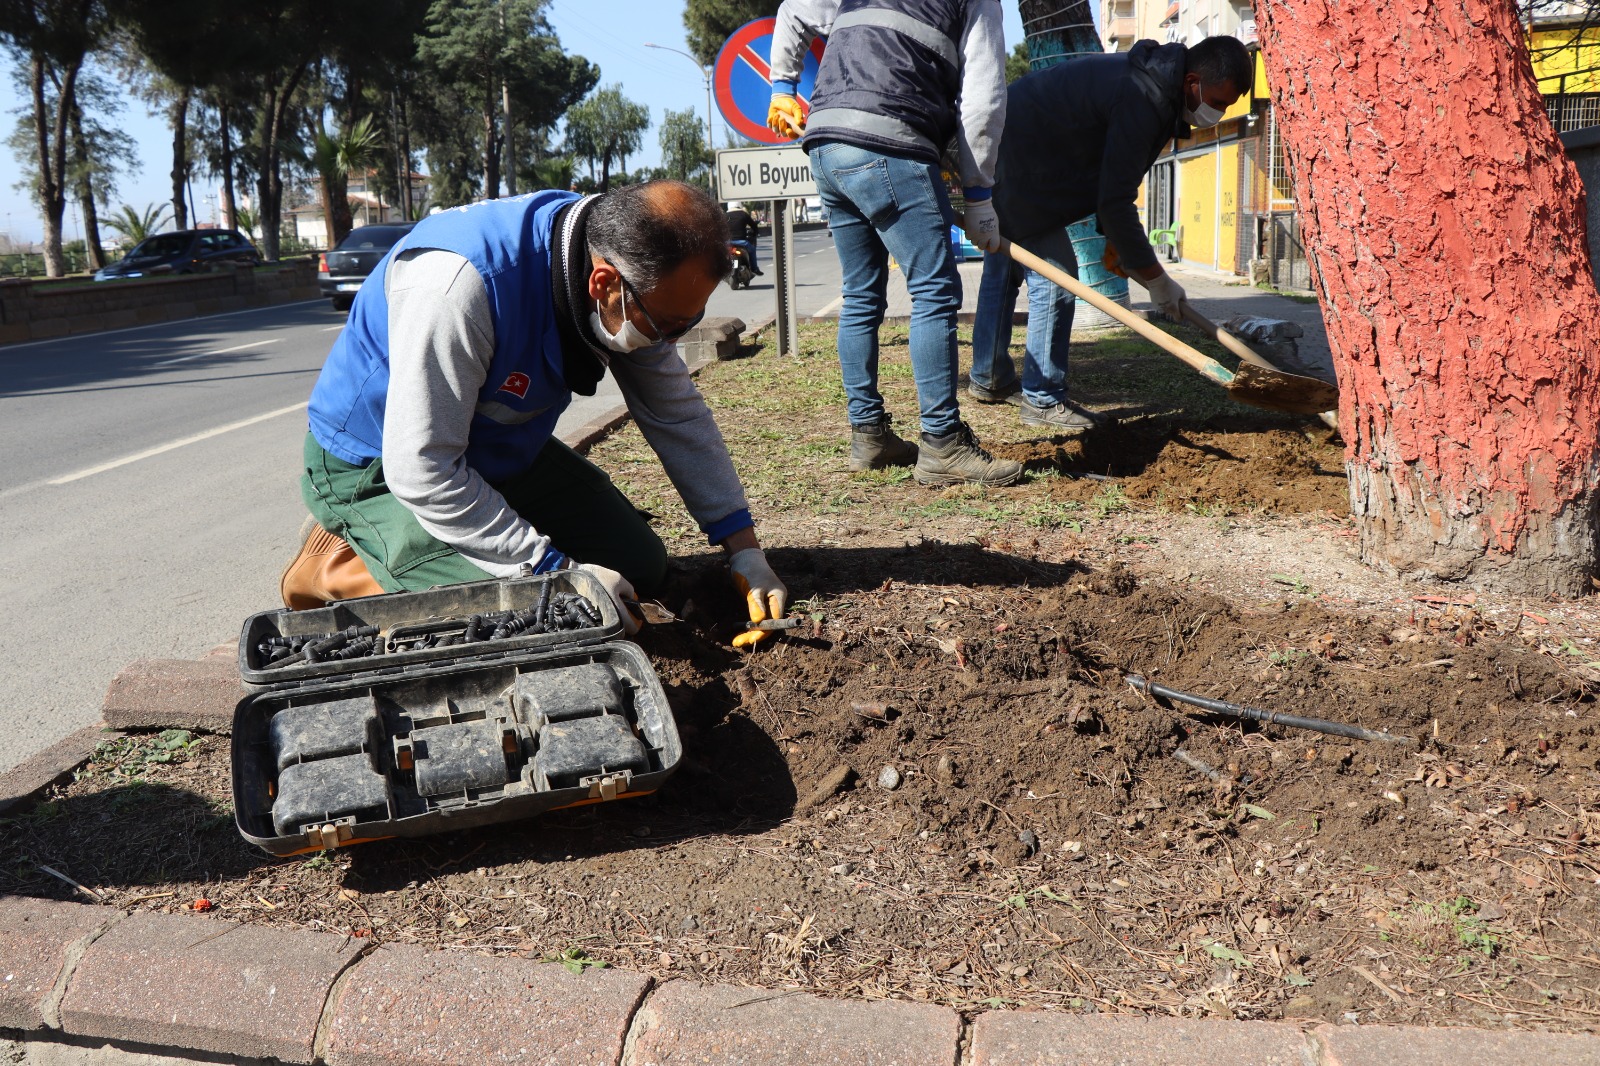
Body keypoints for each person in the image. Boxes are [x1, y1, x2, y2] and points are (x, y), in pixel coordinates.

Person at [280, 180, 789, 649]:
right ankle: (340, 563)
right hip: (379, 465)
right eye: (669, 325)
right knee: (525, 613)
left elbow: (676, 415)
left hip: (497, 448)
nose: (672, 341)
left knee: (641, 565)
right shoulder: (457, 288)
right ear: (603, 283)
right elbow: (423, 469)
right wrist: (560, 574)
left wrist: (744, 548)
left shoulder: (630, 268)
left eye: (689, 321)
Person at [767, 0, 1020, 487]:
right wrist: (979, 193)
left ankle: (870, 436)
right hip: (889, 137)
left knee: (861, 294)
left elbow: (794, 7)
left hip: (826, 143)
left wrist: (783, 86)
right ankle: (943, 443)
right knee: (935, 290)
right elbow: (984, 97)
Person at [967, 36, 1253, 433]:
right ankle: (1043, 398)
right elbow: (1115, 200)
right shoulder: (1144, 96)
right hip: (1017, 160)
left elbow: (1116, 178)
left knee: (1005, 269)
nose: (1217, 114)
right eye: (1218, 103)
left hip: (1020, 154)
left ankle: (990, 376)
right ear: (1192, 82)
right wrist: (1157, 280)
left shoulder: (1157, 88)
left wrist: (1118, 244)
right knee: (1057, 278)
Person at [724, 204, 762, 275]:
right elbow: (753, 225)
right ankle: (754, 268)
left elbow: (720, 228)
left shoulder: (725, 216)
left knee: (723, 254)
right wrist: (755, 232)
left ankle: (720, 270)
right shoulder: (743, 214)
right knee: (752, 250)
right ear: (739, 205)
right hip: (742, 242)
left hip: (727, 243)